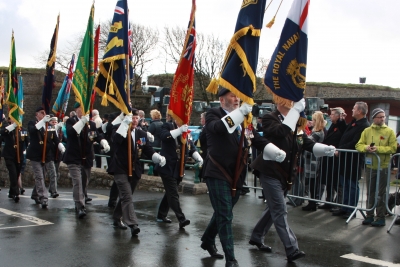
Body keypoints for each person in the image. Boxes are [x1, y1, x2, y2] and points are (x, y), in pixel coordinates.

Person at [200, 88, 282, 267]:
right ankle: (231, 259)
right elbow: (219, 128)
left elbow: (254, 138)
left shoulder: (244, 120)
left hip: (237, 175)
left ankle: (207, 239)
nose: (237, 99)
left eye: (238, 96)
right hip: (217, 172)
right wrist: (241, 113)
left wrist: (274, 150)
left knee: (224, 212)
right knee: (225, 215)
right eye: (232, 96)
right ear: (222, 100)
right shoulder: (213, 114)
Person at [250, 99, 336, 263]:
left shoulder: (296, 123)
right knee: (280, 209)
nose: (291, 104)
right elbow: (280, 132)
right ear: (280, 103)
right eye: (289, 101)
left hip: (285, 174)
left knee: (274, 208)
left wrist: (324, 149)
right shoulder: (270, 118)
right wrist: (296, 113)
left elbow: (306, 143)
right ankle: (291, 248)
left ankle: (256, 236)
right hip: (269, 171)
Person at [108, 109, 166, 236]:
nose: (135, 120)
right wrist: (124, 125)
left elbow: (147, 149)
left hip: (134, 170)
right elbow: (115, 141)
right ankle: (133, 224)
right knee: (127, 196)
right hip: (120, 168)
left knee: (125, 196)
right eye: (132, 118)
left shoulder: (141, 133)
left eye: (136, 118)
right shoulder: (119, 129)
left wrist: (157, 157)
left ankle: (117, 217)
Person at [63, 103, 110, 218]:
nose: (83, 112)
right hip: (74, 157)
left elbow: (96, 135)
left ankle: (80, 200)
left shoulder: (92, 124)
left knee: (84, 182)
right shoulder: (71, 121)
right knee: (77, 182)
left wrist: (103, 141)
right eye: (81, 109)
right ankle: (80, 206)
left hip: (86, 157)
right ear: (76, 110)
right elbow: (71, 132)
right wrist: (81, 122)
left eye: (86, 110)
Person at [155, 115, 202, 228]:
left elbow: (190, 146)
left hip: (178, 168)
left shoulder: (186, 131)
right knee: (173, 194)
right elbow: (164, 136)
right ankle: (181, 218)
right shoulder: (166, 126)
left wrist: (198, 157)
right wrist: (179, 130)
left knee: (170, 193)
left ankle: (161, 215)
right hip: (166, 166)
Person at [355, 108, 397, 226]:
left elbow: (393, 148)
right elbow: (358, 145)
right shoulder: (367, 131)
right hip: (370, 166)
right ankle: (369, 215)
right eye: (380, 116)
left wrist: (378, 149)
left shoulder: (389, 131)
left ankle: (380, 216)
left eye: (383, 116)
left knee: (381, 192)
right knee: (371, 191)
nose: (382, 119)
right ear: (373, 118)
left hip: (383, 166)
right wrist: (366, 148)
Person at [332, 102, 370, 219]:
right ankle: (344, 207)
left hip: (353, 160)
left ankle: (351, 209)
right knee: (345, 184)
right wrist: (342, 121)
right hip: (345, 159)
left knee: (352, 185)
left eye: (354, 108)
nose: (352, 110)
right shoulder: (354, 122)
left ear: (359, 111)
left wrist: (340, 149)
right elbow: (345, 133)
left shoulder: (364, 125)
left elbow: (354, 143)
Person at [27, 107, 64, 208]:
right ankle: (43, 198)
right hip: (35, 155)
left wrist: (61, 146)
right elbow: (32, 130)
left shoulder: (49, 126)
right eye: (41, 113)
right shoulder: (32, 123)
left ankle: (35, 194)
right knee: (39, 176)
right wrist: (43, 121)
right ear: (37, 114)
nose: (44, 115)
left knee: (43, 176)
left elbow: (55, 138)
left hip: (47, 155)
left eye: (44, 113)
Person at [317, 107, 347, 210]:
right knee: (328, 180)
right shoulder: (332, 126)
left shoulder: (341, 126)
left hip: (335, 158)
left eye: (333, 114)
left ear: (339, 116)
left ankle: (338, 203)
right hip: (328, 156)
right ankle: (328, 201)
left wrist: (341, 120)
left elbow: (342, 133)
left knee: (336, 181)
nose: (330, 116)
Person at [0, 117, 29, 202]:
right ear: (10, 120)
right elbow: (2, 133)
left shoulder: (23, 130)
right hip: (9, 155)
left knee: (16, 174)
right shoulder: (7, 128)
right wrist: (12, 127)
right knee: (12, 173)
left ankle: (11, 192)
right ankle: (16, 193)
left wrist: (25, 150)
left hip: (19, 156)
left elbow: (27, 141)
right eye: (13, 118)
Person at [302, 111, 326, 211]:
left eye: (313, 120)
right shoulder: (315, 131)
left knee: (313, 183)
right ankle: (312, 202)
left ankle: (313, 203)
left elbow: (307, 141)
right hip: (310, 159)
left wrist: (301, 131)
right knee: (311, 182)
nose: (311, 121)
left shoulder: (318, 133)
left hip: (314, 160)